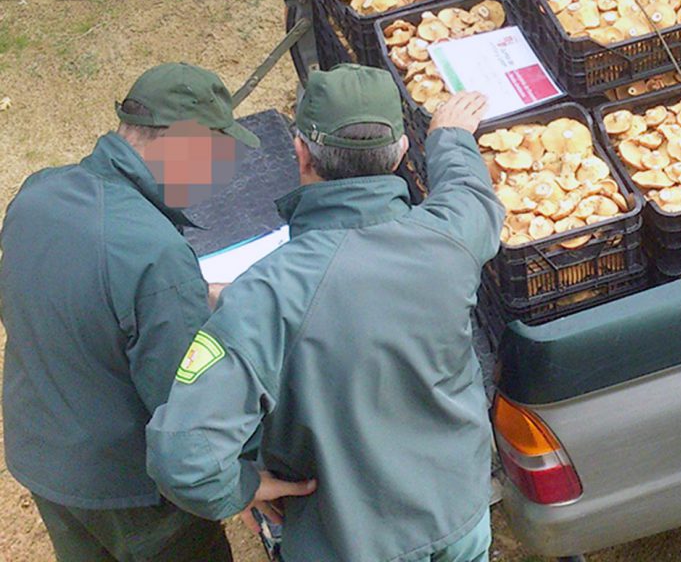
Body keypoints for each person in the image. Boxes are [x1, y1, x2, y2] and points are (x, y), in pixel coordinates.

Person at [147, 64, 505, 562]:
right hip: (457, 518)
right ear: (402, 153)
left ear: (299, 153)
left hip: (348, 542)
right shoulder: (451, 237)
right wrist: (449, 138)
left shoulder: (267, 292)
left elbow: (185, 458)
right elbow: (470, 195)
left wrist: (242, 488)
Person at [0, 63, 260, 562]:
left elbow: (79, 292)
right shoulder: (155, 254)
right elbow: (187, 409)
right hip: (127, 491)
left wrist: (193, 293)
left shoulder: (39, 190)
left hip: (42, 457)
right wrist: (243, 481)